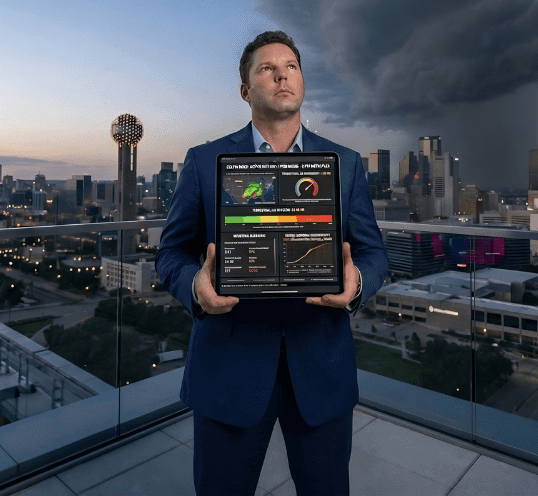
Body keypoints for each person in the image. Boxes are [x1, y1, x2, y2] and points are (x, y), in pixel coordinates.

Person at [156, 30, 388, 496]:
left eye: (292, 67)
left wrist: (357, 281)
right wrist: (195, 287)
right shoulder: (204, 162)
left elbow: (373, 252)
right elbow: (171, 254)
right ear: (245, 91)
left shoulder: (344, 163)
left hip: (321, 370)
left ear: (302, 82)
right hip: (229, 372)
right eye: (267, 68)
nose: (282, 75)